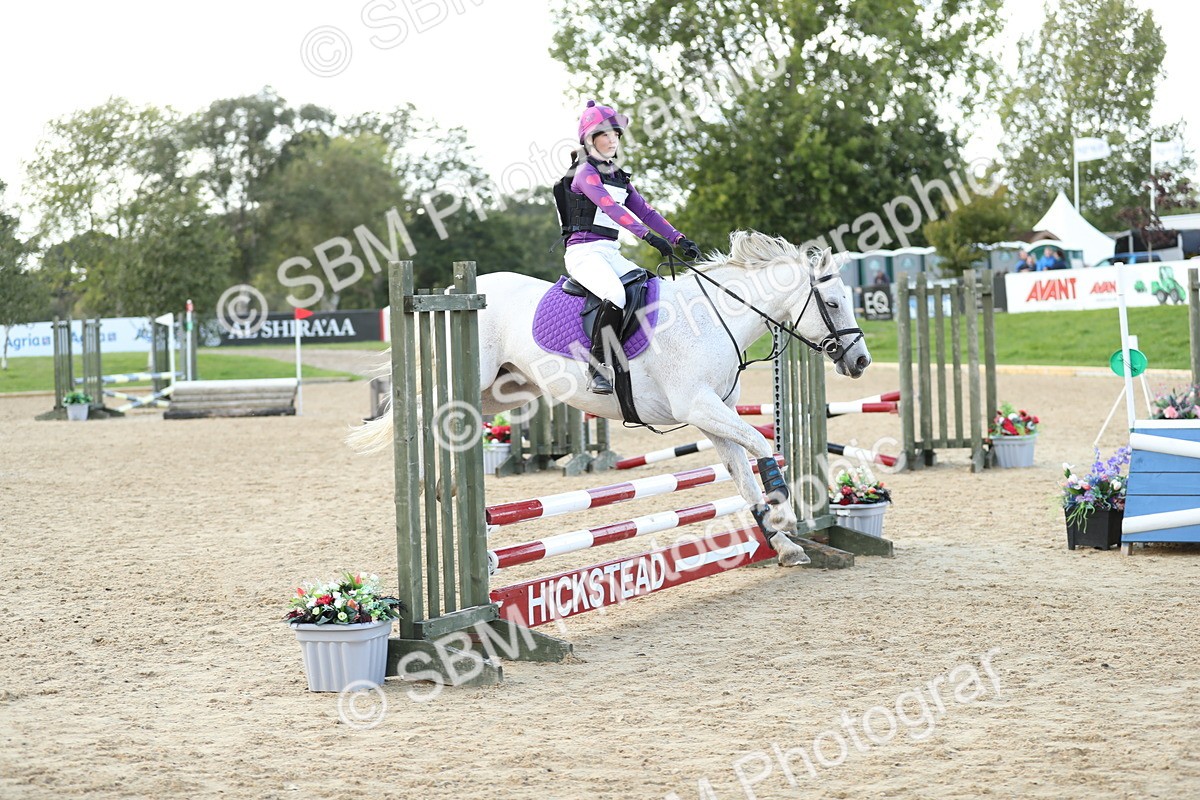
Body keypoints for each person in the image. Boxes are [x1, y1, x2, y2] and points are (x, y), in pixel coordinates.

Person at [553, 100, 699, 394]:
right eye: (605, 134)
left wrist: (677, 239)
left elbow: (646, 211)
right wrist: (648, 237)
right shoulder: (584, 173)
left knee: (652, 288)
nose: (612, 140)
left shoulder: (618, 177)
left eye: (616, 135)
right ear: (590, 138)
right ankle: (596, 366)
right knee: (615, 294)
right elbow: (611, 209)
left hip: (609, 252)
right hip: (583, 253)